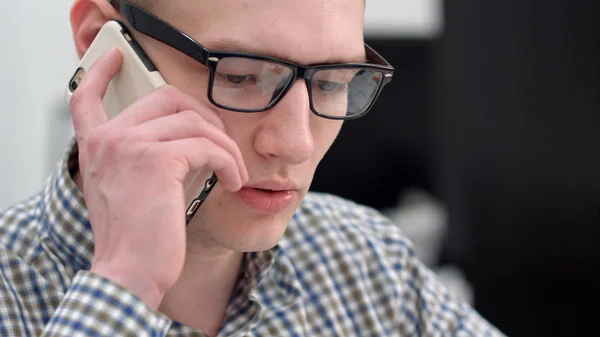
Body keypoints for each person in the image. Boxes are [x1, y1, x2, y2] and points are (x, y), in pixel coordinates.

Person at [0, 0, 505, 336]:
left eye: (333, 82)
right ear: (99, 45)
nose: (295, 143)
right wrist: (123, 286)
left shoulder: (368, 258)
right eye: (240, 77)